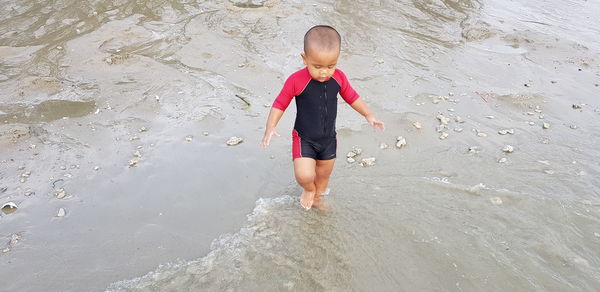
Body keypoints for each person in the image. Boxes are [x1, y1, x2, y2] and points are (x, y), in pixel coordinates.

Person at [260, 25, 385, 210]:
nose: (324, 72)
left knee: (324, 175)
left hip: (328, 140)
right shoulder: (296, 80)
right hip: (304, 138)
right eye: (317, 66)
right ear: (305, 59)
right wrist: (270, 127)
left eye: (330, 66)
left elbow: (352, 97)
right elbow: (280, 103)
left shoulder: (339, 78)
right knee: (304, 175)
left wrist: (369, 115)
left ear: (337, 59)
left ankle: (318, 197)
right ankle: (308, 190)